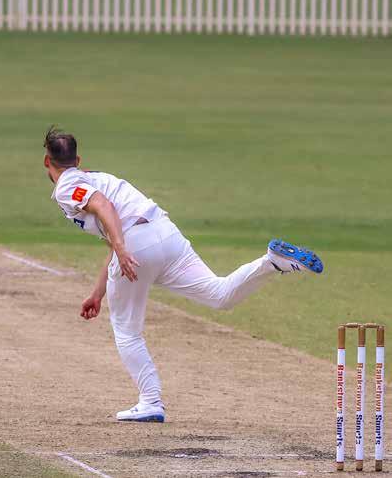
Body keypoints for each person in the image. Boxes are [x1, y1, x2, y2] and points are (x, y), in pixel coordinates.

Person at [43, 126, 323, 423]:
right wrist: (98, 292)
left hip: (136, 246)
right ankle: (272, 262)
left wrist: (123, 248)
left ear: (47, 161)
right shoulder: (99, 177)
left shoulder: (67, 186)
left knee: (127, 331)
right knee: (219, 295)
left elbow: (103, 206)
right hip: (165, 233)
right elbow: (111, 230)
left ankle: (151, 402)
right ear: (78, 160)